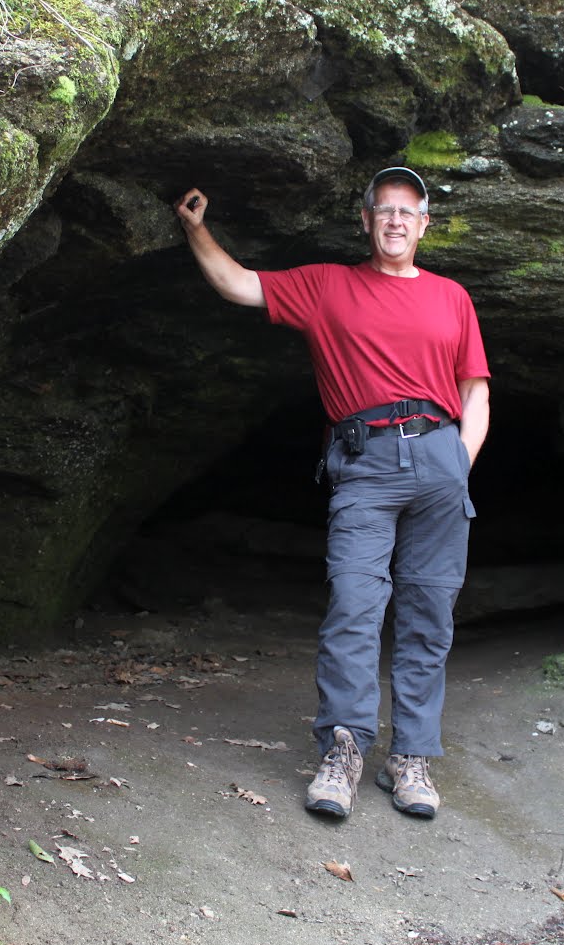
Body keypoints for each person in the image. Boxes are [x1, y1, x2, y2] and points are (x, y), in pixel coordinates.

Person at [174, 167, 490, 821]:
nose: (396, 220)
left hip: (439, 457)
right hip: (365, 460)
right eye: (385, 209)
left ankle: (410, 758)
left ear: (424, 224)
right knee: (354, 604)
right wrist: (196, 228)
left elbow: (475, 391)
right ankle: (345, 749)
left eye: (409, 211)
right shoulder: (328, 286)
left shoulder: (453, 297)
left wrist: (459, 460)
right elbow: (240, 284)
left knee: (429, 613)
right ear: (366, 220)